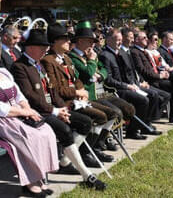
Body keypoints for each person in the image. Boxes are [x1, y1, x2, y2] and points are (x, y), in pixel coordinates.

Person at [11, 29, 106, 190]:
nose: (45, 50)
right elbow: (30, 96)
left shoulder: (38, 64)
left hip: (52, 109)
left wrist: (61, 107)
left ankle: (64, 161)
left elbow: (52, 90)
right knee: (64, 130)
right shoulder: (20, 67)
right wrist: (54, 111)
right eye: (42, 47)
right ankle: (86, 174)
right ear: (31, 47)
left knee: (85, 122)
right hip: (35, 113)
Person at [0, 36, 58, 197]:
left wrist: (28, 110)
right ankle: (30, 183)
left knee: (45, 131)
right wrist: (24, 113)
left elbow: (19, 96)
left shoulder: (3, 72)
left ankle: (39, 177)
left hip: (14, 115)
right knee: (28, 136)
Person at [43, 23, 117, 166]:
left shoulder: (66, 58)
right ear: (54, 42)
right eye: (64, 39)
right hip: (65, 102)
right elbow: (57, 89)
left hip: (77, 99)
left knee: (108, 113)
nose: (69, 42)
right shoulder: (48, 60)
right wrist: (77, 92)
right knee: (93, 119)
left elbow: (75, 79)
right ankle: (79, 155)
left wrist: (81, 89)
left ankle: (90, 150)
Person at [69, 21, 135, 150]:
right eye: (89, 41)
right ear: (80, 40)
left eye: (93, 41)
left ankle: (102, 138)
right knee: (112, 113)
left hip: (100, 92)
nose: (93, 44)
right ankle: (96, 145)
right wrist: (92, 61)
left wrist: (100, 75)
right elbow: (87, 73)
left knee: (127, 109)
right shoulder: (73, 57)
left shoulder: (91, 54)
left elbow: (103, 69)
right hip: (89, 96)